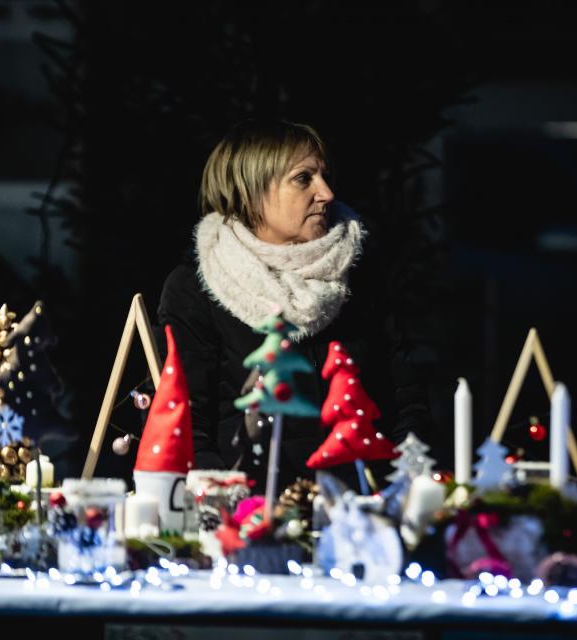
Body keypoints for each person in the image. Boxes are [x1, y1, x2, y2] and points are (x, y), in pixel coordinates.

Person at [157, 119, 431, 491]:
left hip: (364, 504)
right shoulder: (195, 288)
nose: (327, 193)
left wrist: (402, 491)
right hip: (250, 511)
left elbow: (406, 402)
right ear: (250, 191)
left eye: (325, 176)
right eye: (304, 178)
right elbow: (187, 425)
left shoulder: (359, 275)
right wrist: (229, 503)